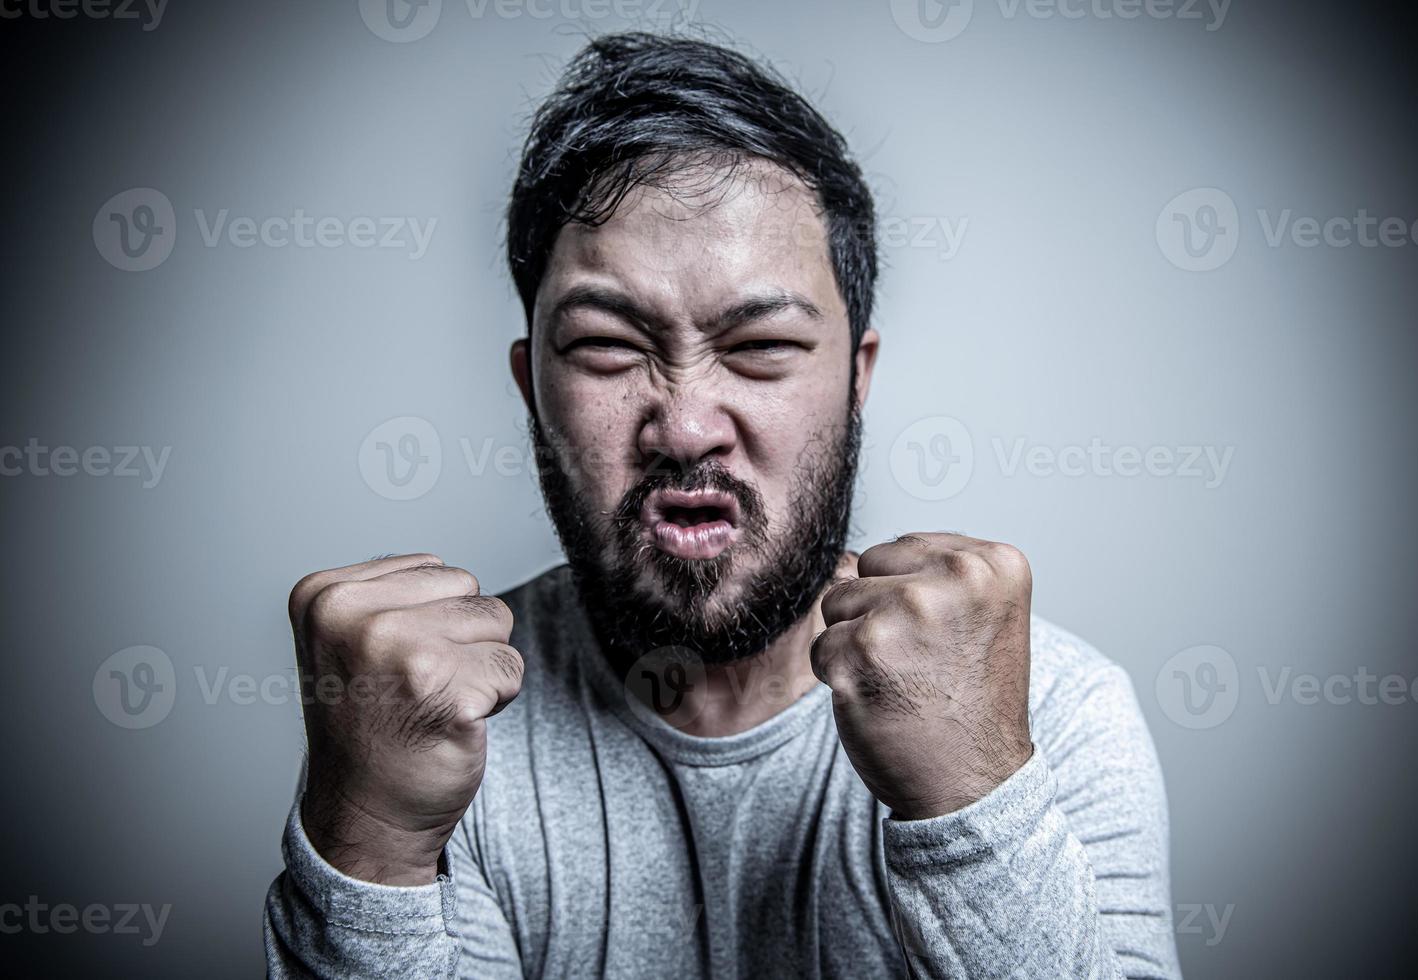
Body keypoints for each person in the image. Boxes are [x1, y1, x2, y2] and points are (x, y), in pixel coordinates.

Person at [264, 32, 1180, 979]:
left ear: (855, 381)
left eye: (760, 347)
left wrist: (975, 806)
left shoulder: (1050, 712)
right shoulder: (427, 730)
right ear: (531, 385)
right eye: (608, 347)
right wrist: (367, 849)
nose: (688, 425)